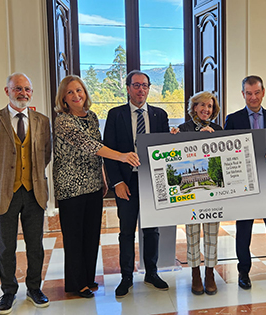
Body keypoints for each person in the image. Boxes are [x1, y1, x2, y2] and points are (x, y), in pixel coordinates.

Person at [53, 75, 140, 299]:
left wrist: (103, 178)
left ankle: (88, 278)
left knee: (91, 234)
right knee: (74, 235)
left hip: (93, 184)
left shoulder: (91, 117)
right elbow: (90, 145)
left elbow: (97, 153)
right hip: (70, 186)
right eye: (70, 92)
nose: (76, 95)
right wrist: (121, 156)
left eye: (79, 90)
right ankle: (75, 283)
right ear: (63, 97)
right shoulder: (62, 120)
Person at [0, 73, 51, 314]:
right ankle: (8, 292)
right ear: (7, 91)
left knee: (35, 244)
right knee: (6, 246)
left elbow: (46, 154)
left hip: (34, 191)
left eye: (27, 89)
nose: (23, 93)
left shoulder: (42, 121)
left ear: (31, 92)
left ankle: (34, 288)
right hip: (4, 192)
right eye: (17, 89)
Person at [104, 70, 170, 298]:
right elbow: (109, 153)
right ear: (128, 88)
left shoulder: (160, 115)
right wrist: (117, 182)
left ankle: (151, 272)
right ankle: (126, 277)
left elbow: (166, 150)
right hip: (127, 181)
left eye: (144, 85)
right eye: (136, 85)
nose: (140, 89)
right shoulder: (115, 115)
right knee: (126, 231)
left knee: (152, 230)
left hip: (152, 181)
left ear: (149, 88)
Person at [224, 75, 266, 289]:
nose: (253, 97)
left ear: (263, 92)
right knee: (244, 230)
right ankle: (243, 271)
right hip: (244, 184)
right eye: (249, 93)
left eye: (257, 92)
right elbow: (225, 151)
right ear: (243, 94)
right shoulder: (233, 119)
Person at [171, 91, 222, 295]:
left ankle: (209, 273)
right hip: (191, 194)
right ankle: (194, 274)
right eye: (202, 105)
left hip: (212, 194)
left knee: (211, 233)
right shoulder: (182, 129)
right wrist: (172, 137)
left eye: (209, 106)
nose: (206, 109)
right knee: (192, 233)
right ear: (194, 107)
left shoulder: (218, 129)